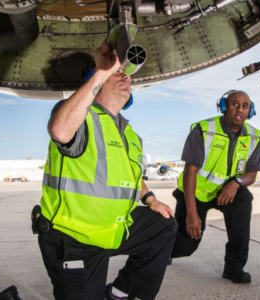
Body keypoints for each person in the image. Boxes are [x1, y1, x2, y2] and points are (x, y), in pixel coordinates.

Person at [36, 39, 178, 300]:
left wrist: (151, 200)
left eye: (124, 75)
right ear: (96, 82)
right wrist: (102, 72)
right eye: (116, 74)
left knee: (163, 224)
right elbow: (59, 130)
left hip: (113, 229)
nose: (125, 76)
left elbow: (133, 177)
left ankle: (121, 292)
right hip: (75, 239)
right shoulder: (82, 117)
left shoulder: (130, 134)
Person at [170, 90, 260, 283]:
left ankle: (234, 267)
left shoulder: (253, 136)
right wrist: (191, 213)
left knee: (244, 198)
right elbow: (190, 173)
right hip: (196, 192)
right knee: (185, 246)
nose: (240, 110)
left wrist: (236, 183)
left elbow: (251, 174)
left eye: (245, 106)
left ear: (250, 110)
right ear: (223, 106)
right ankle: (163, 250)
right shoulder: (203, 130)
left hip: (226, 192)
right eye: (234, 104)